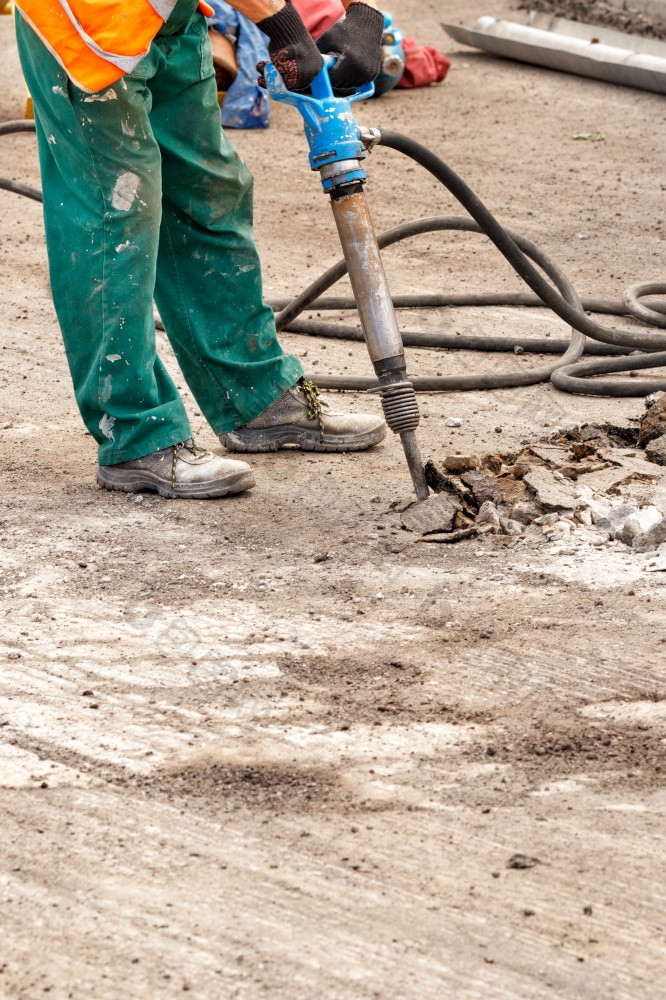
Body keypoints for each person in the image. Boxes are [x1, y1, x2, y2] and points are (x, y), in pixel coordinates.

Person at [13, 0, 387, 499]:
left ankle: (255, 395)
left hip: (169, 15)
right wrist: (282, 23)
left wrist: (361, 16)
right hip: (89, 19)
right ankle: (135, 434)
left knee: (208, 189)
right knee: (118, 209)